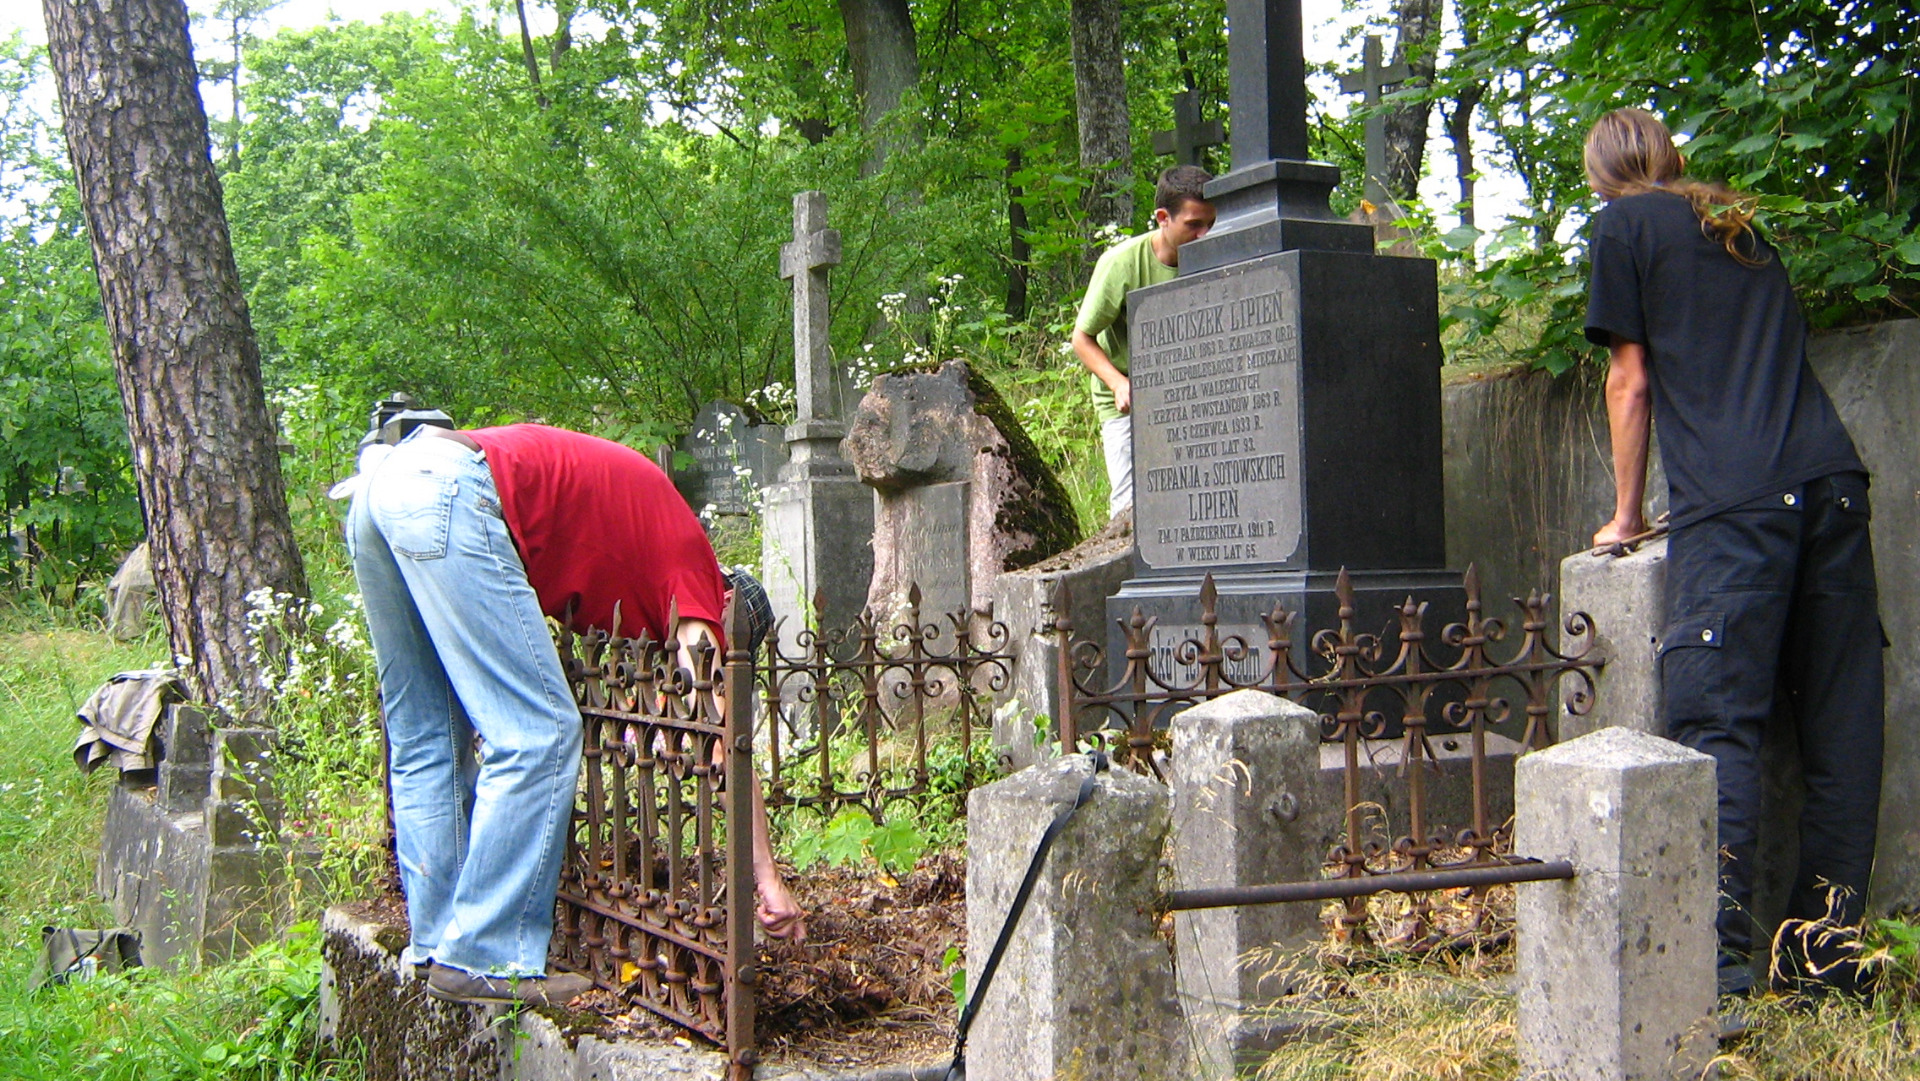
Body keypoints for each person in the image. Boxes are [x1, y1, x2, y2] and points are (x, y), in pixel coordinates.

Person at [347, 423, 806, 1007]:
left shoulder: (651, 565)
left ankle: (439, 949)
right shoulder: (696, 577)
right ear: (729, 606)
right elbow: (723, 742)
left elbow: (661, 710)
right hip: (451, 494)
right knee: (538, 734)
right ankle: (486, 955)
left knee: (430, 737)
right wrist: (767, 877)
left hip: (386, 485)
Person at [1583, 108, 1884, 998]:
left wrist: (1625, 514)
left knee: (1719, 724)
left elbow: (1629, 379)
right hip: (1832, 484)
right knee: (1840, 725)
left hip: (1739, 501)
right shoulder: (1733, 223)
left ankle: (1715, 973)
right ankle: (1824, 961)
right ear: (1673, 158)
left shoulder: (1623, 225)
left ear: (1602, 174)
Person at [1071, 165, 1217, 520]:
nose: (1206, 235)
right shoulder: (1121, 264)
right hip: (1128, 400)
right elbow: (1082, 338)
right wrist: (1118, 383)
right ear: (1163, 218)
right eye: (1194, 225)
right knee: (1131, 510)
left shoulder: (1217, 257)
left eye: (1211, 224)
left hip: (1187, 394)